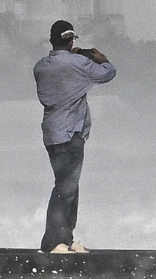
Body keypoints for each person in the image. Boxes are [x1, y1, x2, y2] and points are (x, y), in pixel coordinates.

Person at [32, 18, 117, 254]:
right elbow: (108, 73)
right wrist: (96, 56)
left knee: (69, 186)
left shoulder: (40, 66)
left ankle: (65, 240)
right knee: (65, 188)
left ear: (52, 40)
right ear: (70, 41)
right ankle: (52, 243)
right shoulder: (79, 63)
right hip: (71, 133)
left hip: (52, 132)